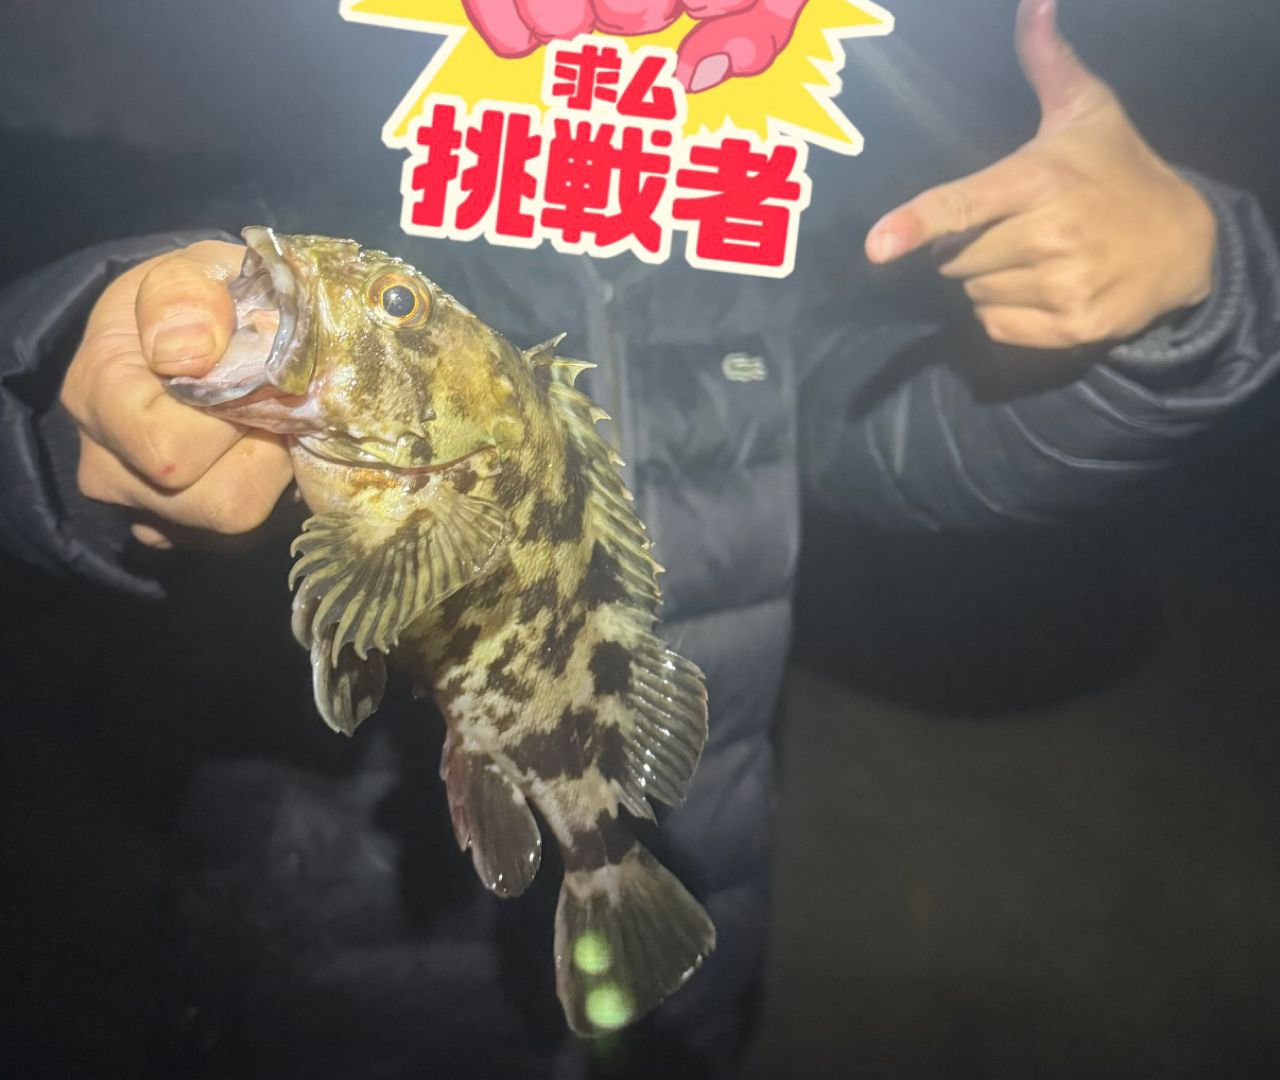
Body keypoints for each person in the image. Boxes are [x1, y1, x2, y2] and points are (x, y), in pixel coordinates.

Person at [1, 0, 1277, 1076]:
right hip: (323, 958)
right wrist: (71, 381)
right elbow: (177, 257)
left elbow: (923, 433)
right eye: (393, 299)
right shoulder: (342, 154)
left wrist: (1184, 298)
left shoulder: (769, 243)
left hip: (694, 869)